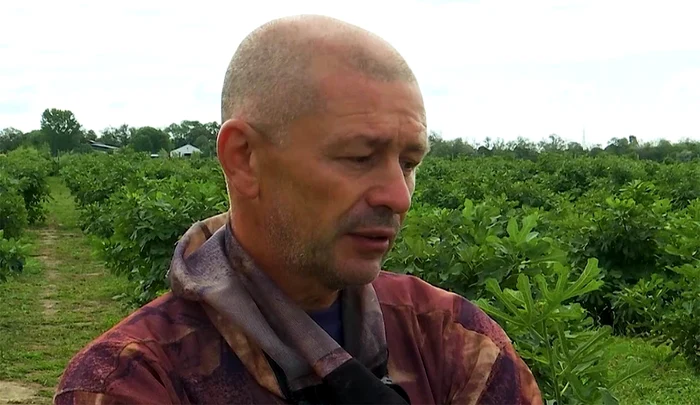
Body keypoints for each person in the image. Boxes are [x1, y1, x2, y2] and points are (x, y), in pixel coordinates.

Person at [54, 14, 542, 405]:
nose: (399, 196)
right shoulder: (135, 381)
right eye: (358, 157)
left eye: (409, 162)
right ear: (244, 159)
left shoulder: (451, 340)